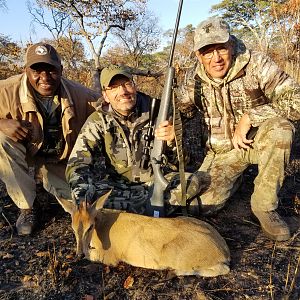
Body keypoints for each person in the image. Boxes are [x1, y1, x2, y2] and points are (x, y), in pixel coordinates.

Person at [177, 16, 300, 241]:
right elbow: (181, 112)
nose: (216, 58)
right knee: (202, 206)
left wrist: (252, 116)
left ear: (231, 45)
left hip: (257, 142)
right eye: (207, 51)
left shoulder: (257, 64)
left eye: (221, 49)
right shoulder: (191, 79)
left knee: (282, 129)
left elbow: (296, 100)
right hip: (222, 153)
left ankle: (264, 206)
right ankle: (236, 178)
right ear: (198, 55)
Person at [66, 65, 203, 215]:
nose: (123, 92)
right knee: (88, 194)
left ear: (135, 86)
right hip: (117, 187)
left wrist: (173, 141)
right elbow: (77, 164)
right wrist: (82, 200)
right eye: (114, 87)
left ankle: (129, 214)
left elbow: (185, 163)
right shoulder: (97, 121)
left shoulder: (160, 111)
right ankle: (162, 209)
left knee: (191, 182)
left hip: (157, 182)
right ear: (105, 95)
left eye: (127, 84)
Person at [0, 42, 100, 235]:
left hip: (59, 160)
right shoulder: (6, 90)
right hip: (26, 154)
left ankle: (47, 180)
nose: (44, 78)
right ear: (25, 70)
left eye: (51, 70)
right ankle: (27, 206)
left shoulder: (82, 95)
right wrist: (1, 123)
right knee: (1, 139)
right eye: (37, 70)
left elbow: (113, 106)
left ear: (61, 70)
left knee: (85, 205)